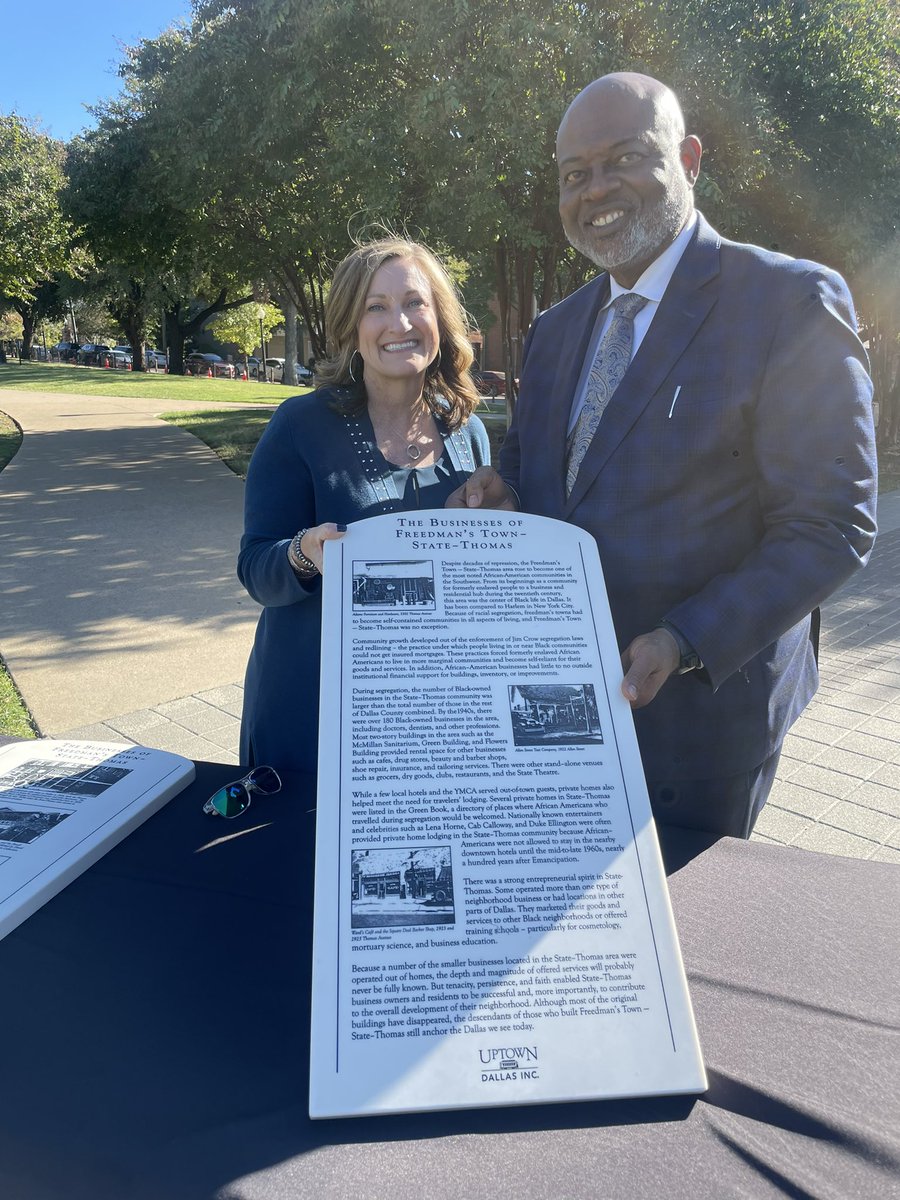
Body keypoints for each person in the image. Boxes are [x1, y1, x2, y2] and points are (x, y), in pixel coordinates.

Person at [449, 72, 877, 838]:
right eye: (574, 175)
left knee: (692, 945)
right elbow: (530, 465)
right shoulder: (554, 331)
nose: (596, 189)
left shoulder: (788, 303)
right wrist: (500, 493)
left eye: (624, 159)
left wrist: (683, 641)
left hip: (703, 725)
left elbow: (831, 524)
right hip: (560, 708)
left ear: (688, 158)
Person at [238, 237, 490, 772]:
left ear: (439, 318)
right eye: (376, 307)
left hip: (431, 715)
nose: (399, 323)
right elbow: (255, 566)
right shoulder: (299, 426)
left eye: (414, 303)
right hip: (313, 709)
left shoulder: (468, 432)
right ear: (351, 327)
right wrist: (304, 555)